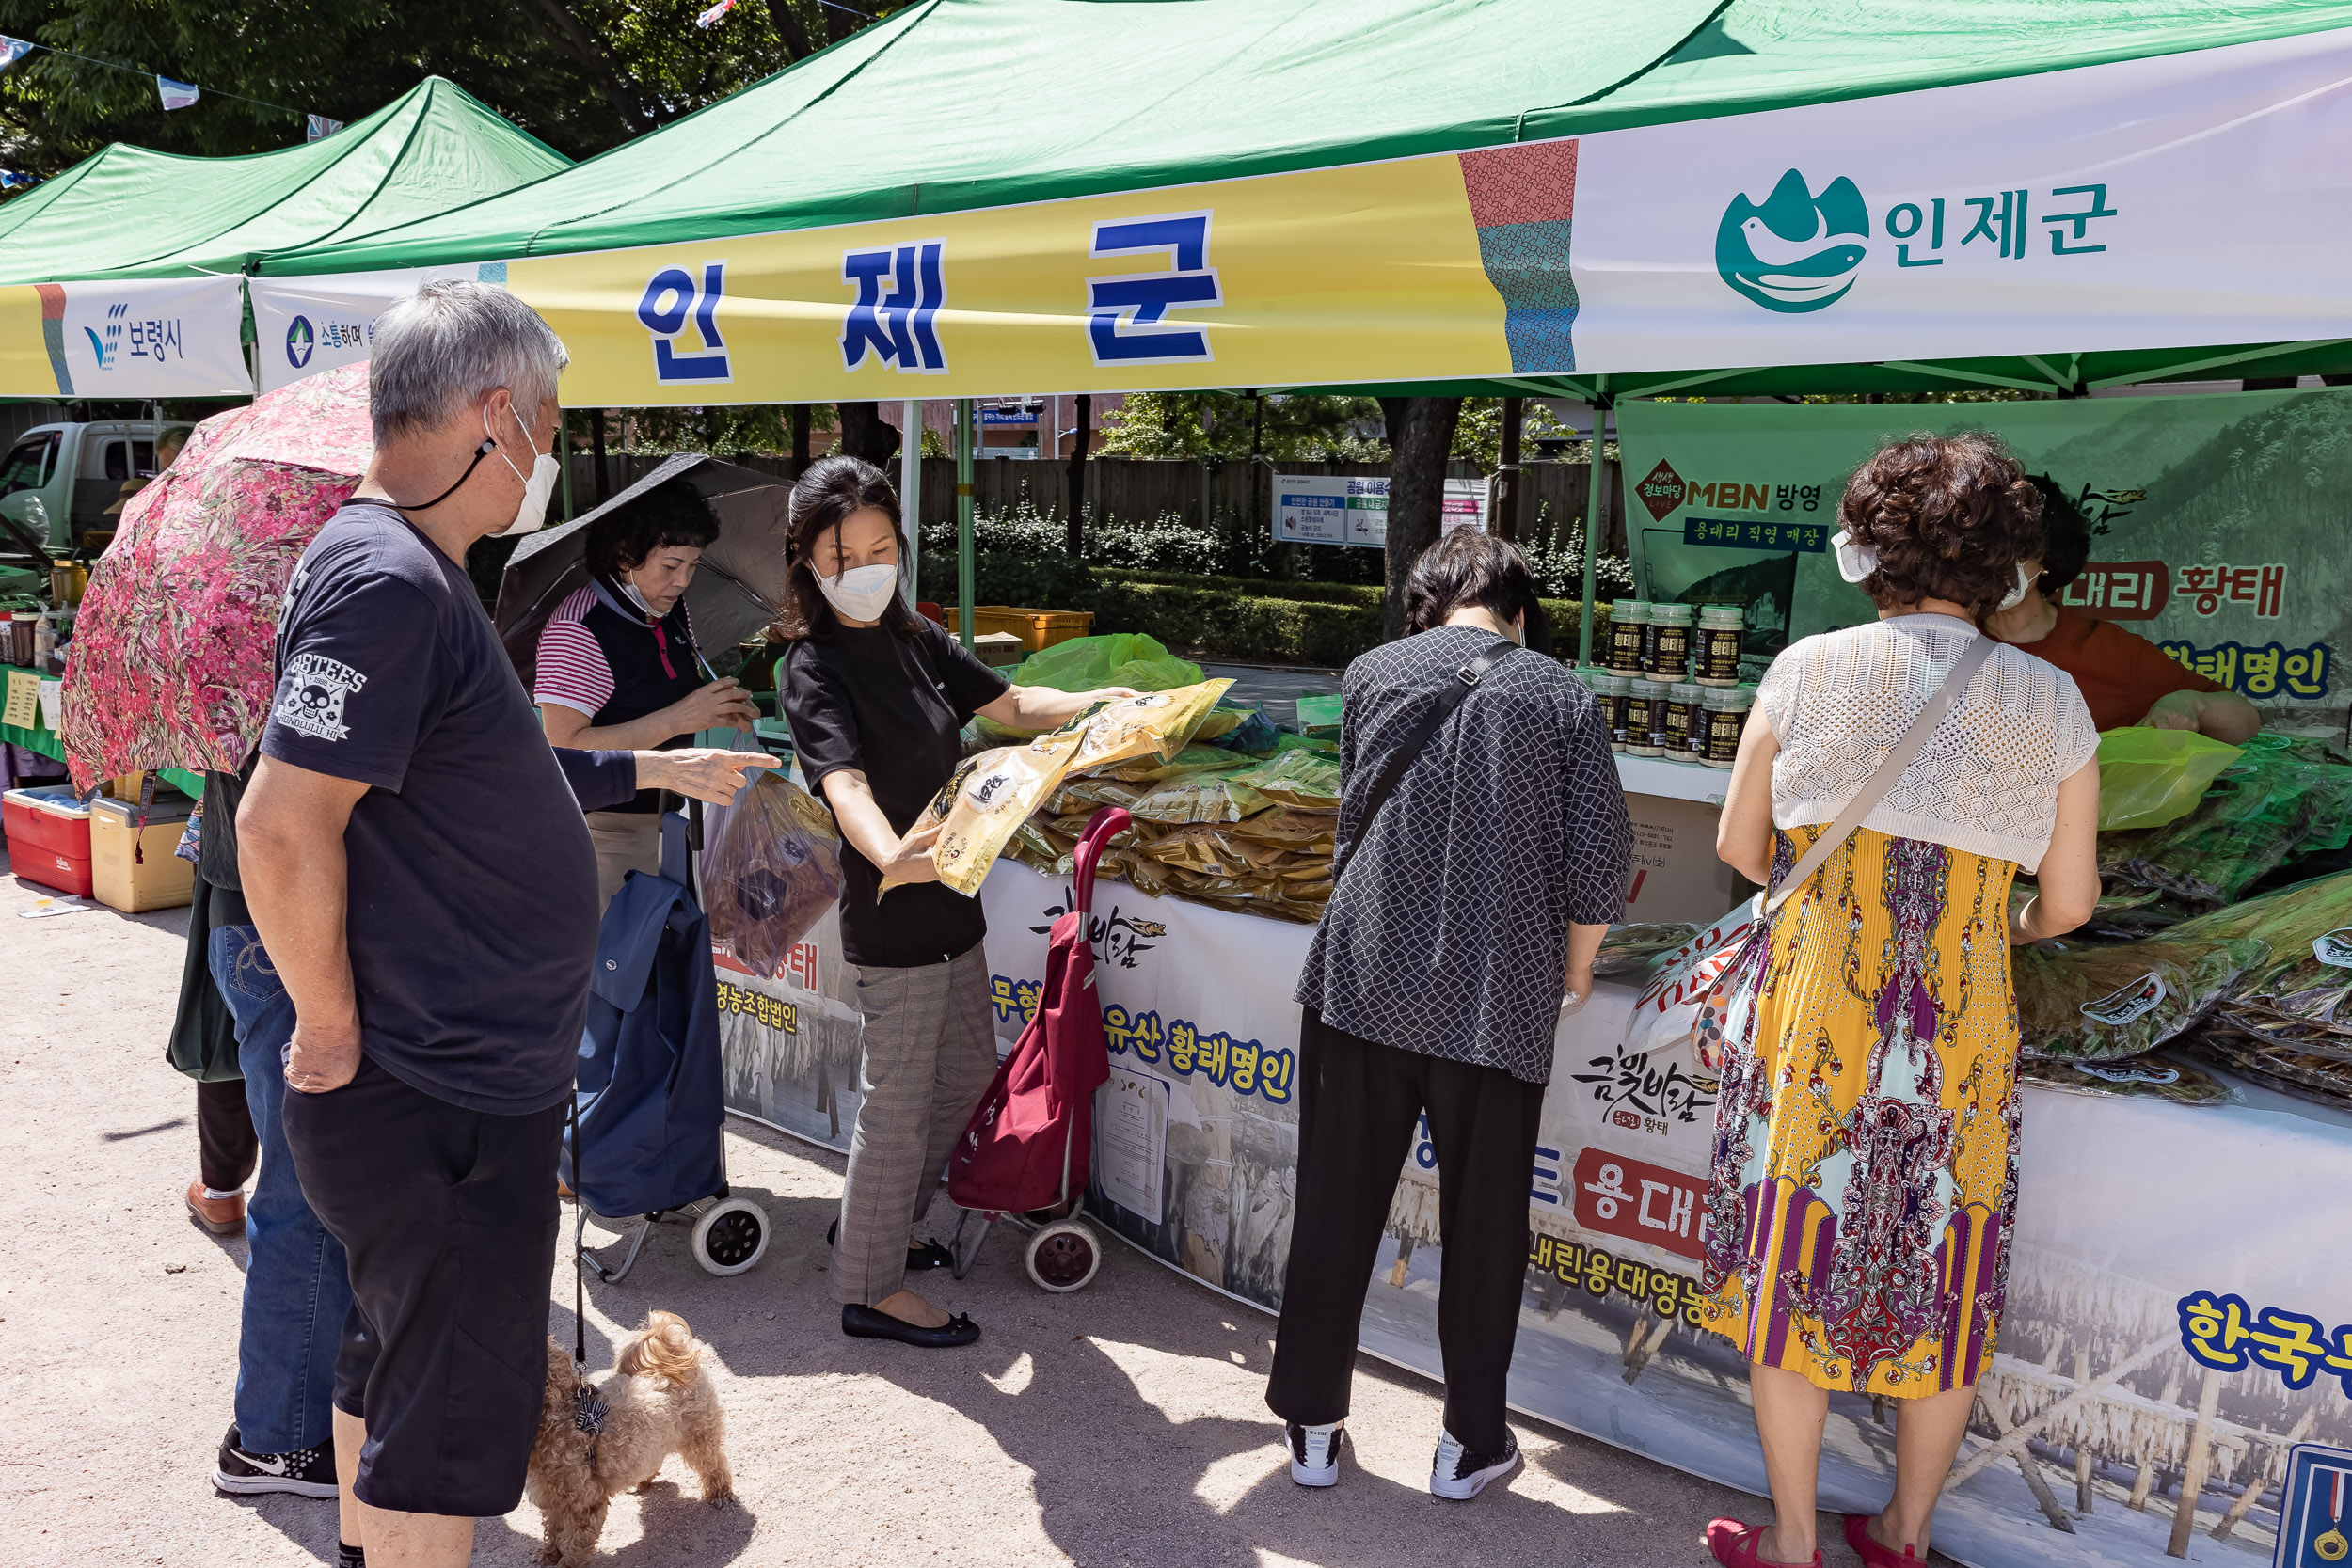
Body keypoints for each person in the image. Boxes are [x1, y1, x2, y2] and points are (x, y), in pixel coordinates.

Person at [238, 280, 771, 1568]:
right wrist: (325, 1019)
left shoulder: (402, 566)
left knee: (391, 1366)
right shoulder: (387, 576)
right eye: (542, 420)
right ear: (490, 416)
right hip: (434, 1083)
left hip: (443, 1078)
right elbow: (277, 820)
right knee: (444, 1412)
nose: (545, 450)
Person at [1702, 434, 2102, 1568]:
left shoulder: (1808, 668)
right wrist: (1990, 930)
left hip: (1818, 1006)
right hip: (1963, 1029)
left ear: (1866, 551)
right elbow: (2068, 903)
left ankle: (1787, 1540)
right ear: (2006, 565)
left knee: (1796, 1248)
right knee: (1950, 1266)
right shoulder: (2054, 701)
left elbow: (1741, 843)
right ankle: (1904, 1533)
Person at [1267, 530, 1631, 1502]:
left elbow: (1353, 813)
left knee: (1335, 1205)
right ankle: (1469, 1442)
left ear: (1426, 600)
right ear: (1519, 609)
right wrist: (1579, 971)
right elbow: (1598, 864)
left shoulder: (1371, 671)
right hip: (1493, 997)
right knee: (1484, 1225)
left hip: (1359, 979)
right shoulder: (1559, 691)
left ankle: (1310, 1423)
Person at [778, 454, 1135, 1349]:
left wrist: (1100, 701)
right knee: (895, 1101)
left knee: (969, 1075)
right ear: (809, 564)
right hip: (895, 908)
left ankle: (878, 1219)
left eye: (880, 546)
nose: (866, 566)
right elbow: (842, 782)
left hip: (954, 904)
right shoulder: (810, 666)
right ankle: (869, 1285)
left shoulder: (914, 639)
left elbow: (1012, 704)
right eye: (843, 554)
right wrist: (892, 853)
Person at [535, 481, 758, 904]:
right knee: (616, 965)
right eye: (671, 565)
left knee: (666, 964)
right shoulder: (578, 629)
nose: (682, 581)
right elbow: (563, 747)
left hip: (672, 820)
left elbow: (665, 700)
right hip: (607, 832)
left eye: (693, 565)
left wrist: (716, 708)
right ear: (625, 555)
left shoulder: (666, 613)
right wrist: (681, 717)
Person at [1982, 476, 2259, 741]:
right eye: (1982, 547)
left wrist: (2192, 703)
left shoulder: (2109, 651)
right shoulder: (1947, 638)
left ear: (2048, 555)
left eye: (2016, 548)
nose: (1996, 561)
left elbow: (2244, 722)